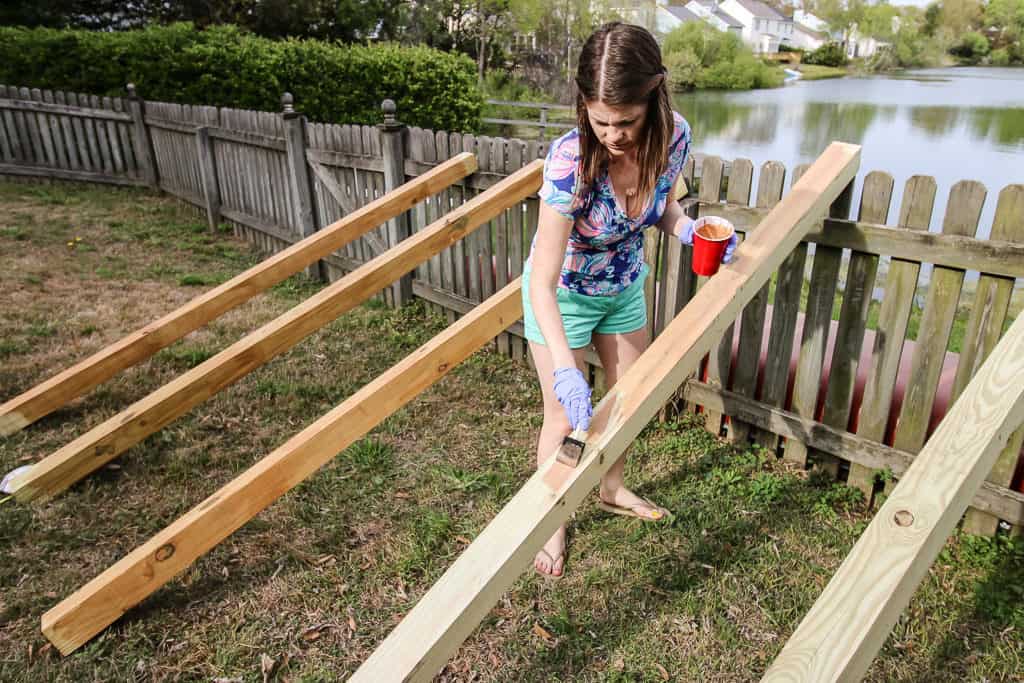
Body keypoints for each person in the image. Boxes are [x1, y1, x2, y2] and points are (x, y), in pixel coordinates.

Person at [522, 21, 737, 578]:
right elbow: (542, 281)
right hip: (564, 295)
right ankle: (552, 519)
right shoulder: (570, 161)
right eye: (601, 121)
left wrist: (687, 229)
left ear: (654, 97)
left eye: (627, 121)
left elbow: (656, 207)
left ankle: (611, 488)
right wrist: (568, 370)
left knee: (628, 400)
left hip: (622, 288)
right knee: (563, 414)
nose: (613, 135)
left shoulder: (676, 138)